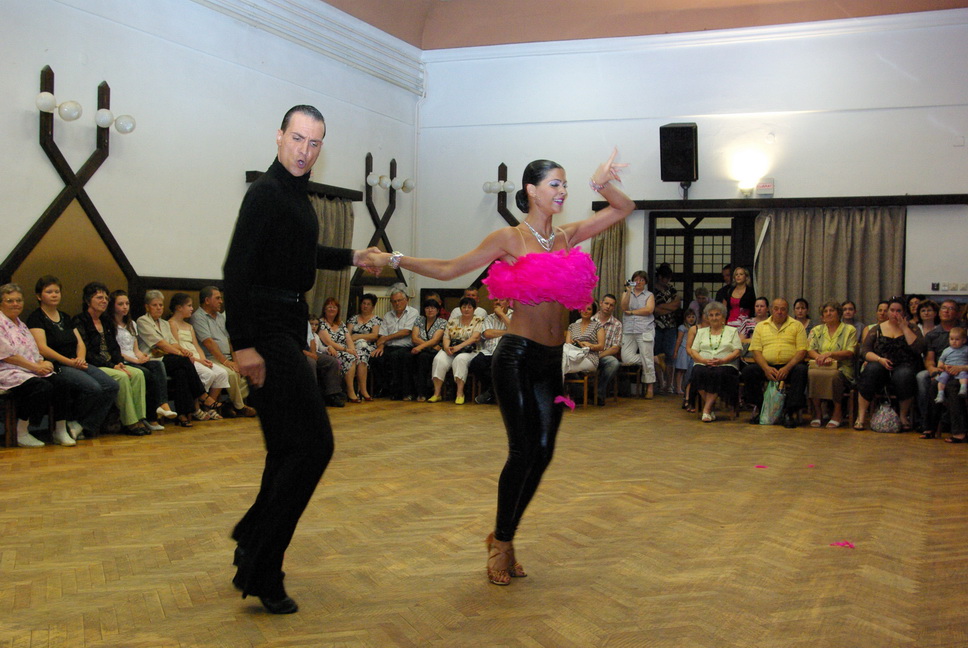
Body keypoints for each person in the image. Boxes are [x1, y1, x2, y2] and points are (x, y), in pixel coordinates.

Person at [370, 150, 634, 586]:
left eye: (565, 184)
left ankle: (502, 534)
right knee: (523, 450)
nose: (562, 191)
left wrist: (601, 184)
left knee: (543, 452)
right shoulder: (510, 238)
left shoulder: (566, 236)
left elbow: (624, 208)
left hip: (551, 360)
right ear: (531, 190)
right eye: (554, 184)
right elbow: (450, 269)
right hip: (516, 357)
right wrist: (394, 259)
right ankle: (503, 543)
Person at [222, 105, 380, 614]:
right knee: (314, 446)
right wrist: (243, 344)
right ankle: (263, 563)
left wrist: (352, 257)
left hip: (288, 324)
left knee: (285, 448)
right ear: (279, 137)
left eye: (314, 143)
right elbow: (236, 270)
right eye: (297, 139)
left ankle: (254, 543)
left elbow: (299, 252)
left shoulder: (295, 195)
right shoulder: (266, 193)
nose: (304, 151)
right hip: (266, 329)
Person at [27, 275, 118, 440]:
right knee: (93, 388)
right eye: (49, 292)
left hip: (76, 362)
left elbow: (80, 342)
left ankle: (81, 425)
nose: (54, 295)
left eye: (57, 291)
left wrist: (80, 358)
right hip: (57, 365)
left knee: (111, 385)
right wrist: (69, 362)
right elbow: (42, 348)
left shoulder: (65, 317)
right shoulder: (36, 318)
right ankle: (72, 422)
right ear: (39, 296)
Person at [74, 282, 154, 436]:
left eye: (106, 298)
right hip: (94, 365)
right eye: (99, 297)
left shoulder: (106, 321)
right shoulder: (80, 320)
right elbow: (88, 352)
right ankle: (130, 422)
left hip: (111, 363)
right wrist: (112, 366)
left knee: (138, 374)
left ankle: (140, 418)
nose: (104, 301)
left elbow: (114, 347)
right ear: (88, 300)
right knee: (121, 377)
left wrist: (119, 362)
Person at [0, 283, 70, 447]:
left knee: (62, 383)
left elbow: (32, 349)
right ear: (1, 303)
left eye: (19, 300)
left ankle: (60, 430)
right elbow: (8, 355)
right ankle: (22, 432)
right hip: (8, 370)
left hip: (29, 369)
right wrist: (35, 367)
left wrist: (42, 362)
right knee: (41, 387)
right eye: (10, 301)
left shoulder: (21, 324)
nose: (15, 304)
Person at [137, 290, 209, 428]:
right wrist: (180, 354)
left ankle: (182, 414)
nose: (159, 308)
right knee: (184, 361)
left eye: (161, 305)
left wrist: (183, 350)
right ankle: (202, 394)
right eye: (155, 305)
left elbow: (173, 342)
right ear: (147, 307)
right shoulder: (143, 321)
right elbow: (161, 344)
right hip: (152, 360)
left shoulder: (164, 323)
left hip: (167, 358)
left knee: (181, 372)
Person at [855, 298, 925, 431]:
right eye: (892, 310)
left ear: (904, 312)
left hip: (904, 365)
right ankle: (861, 417)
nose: (895, 314)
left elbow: (918, 349)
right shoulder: (877, 329)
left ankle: (903, 416)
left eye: (898, 311)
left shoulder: (913, 328)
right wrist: (879, 359)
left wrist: (904, 327)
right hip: (881, 363)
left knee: (904, 374)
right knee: (871, 370)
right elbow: (865, 351)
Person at [190, 286, 257, 418]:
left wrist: (236, 361)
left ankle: (229, 405)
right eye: (218, 298)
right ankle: (240, 407)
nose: (221, 301)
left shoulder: (221, 317)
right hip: (211, 357)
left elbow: (229, 341)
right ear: (207, 300)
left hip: (227, 357)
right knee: (231, 374)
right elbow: (209, 343)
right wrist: (226, 362)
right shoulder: (198, 317)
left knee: (247, 371)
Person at [742, 298, 809, 428]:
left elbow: (802, 351)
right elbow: (756, 351)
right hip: (767, 366)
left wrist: (787, 368)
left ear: (787, 311)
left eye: (783, 309)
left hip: (790, 366)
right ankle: (762, 409)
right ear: (771, 310)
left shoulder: (797, 325)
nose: (779, 312)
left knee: (801, 371)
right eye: (776, 309)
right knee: (748, 372)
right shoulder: (761, 326)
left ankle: (789, 412)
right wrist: (766, 368)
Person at [109, 290, 174, 422]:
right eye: (120, 304)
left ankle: (163, 404)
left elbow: (136, 349)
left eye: (127, 303)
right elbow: (114, 350)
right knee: (147, 375)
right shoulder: (109, 325)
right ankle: (148, 416)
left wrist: (142, 357)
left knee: (157, 364)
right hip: (123, 360)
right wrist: (136, 360)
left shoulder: (131, 324)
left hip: (134, 358)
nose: (125, 307)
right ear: (113, 306)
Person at [168, 292, 229, 420]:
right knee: (208, 374)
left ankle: (208, 407)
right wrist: (197, 360)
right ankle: (196, 407)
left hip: (197, 357)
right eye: (189, 306)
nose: (192, 308)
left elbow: (196, 345)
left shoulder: (189, 326)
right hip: (187, 358)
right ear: (179, 307)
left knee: (222, 373)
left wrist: (203, 359)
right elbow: (176, 346)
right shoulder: (171, 323)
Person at [805, 301, 857, 429]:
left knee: (834, 376)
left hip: (842, 367)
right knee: (811, 374)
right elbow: (810, 349)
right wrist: (820, 358)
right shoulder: (816, 330)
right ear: (822, 316)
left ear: (839, 313)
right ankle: (818, 412)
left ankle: (837, 412)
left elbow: (850, 352)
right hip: (820, 365)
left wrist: (830, 355)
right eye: (825, 311)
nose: (828, 313)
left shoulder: (849, 330)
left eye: (832, 311)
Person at [917, 299, 964, 438]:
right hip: (942, 369)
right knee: (930, 382)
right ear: (939, 312)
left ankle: (957, 430)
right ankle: (928, 426)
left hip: (962, 370)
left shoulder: (964, 331)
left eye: (951, 308)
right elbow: (929, 360)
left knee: (952, 386)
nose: (946, 311)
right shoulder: (932, 334)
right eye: (944, 308)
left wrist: (961, 368)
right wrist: (933, 369)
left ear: (957, 313)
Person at [688, 301, 742, 422]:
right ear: (707, 317)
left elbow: (737, 351)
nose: (714, 318)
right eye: (711, 315)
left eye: (717, 314)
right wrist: (703, 360)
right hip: (703, 363)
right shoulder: (701, 332)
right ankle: (710, 407)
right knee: (697, 371)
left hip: (726, 364)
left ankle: (707, 409)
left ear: (723, 317)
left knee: (718, 373)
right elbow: (694, 350)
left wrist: (723, 360)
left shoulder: (732, 331)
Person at [429, 296, 483, 404]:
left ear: (474, 309)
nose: (466, 309)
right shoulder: (453, 320)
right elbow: (446, 336)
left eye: (469, 307)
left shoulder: (478, 320)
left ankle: (460, 393)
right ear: (460, 308)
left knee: (460, 359)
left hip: (470, 350)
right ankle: (437, 393)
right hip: (452, 348)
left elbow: (475, 338)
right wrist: (446, 348)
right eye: (464, 307)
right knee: (439, 359)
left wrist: (459, 347)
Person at [370, 287, 418, 400]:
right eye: (394, 301)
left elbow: (406, 331)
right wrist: (380, 347)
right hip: (389, 346)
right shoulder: (388, 315)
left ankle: (399, 391)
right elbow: (382, 335)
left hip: (406, 347)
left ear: (406, 300)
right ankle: (382, 388)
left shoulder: (413, 312)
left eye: (399, 300)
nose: (397, 303)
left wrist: (386, 338)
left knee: (396, 357)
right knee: (375, 358)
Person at [469, 298, 513, 405]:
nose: (497, 302)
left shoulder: (515, 316)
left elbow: (515, 330)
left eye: (501, 300)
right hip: (488, 351)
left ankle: (490, 393)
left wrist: (502, 314)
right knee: (475, 364)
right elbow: (487, 333)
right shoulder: (489, 318)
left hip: (505, 352)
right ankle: (494, 392)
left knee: (502, 367)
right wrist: (507, 332)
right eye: (495, 300)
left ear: (508, 303)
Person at [621, 270, 656, 398]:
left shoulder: (649, 295)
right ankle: (655, 359)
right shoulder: (626, 293)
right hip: (629, 329)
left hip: (645, 329)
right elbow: (624, 307)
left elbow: (649, 310)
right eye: (636, 280)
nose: (639, 282)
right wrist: (628, 291)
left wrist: (632, 312)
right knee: (626, 358)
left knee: (647, 358)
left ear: (645, 282)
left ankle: (650, 388)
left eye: (642, 280)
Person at [317, 297, 360, 402]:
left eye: (334, 307)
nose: (332, 309)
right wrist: (346, 350)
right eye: (329, 307)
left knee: (358, 356)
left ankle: (359, 390)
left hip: (345, 350)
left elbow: (349, 339)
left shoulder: (340, 323)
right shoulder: (321, 323)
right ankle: (350, 391)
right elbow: (329, 342)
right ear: (324, 309)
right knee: (350, 358)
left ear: (338, 310)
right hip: (330, 350)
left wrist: (353, 350)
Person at [303, 317, 346, 408]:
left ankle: (332, 395)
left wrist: (313, 353)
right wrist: (310, 354)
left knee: (332, 361)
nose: (314, 326)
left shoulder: (306, 325)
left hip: (311, 351)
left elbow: (311, 340)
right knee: (311, 362)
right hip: (300, 352)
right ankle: (312, 397)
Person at [346, 293, 382, 401]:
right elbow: (347, 335)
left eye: (368, 304)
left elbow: (374, 335)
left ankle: (360, 390)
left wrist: (358, 336)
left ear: (373, 306)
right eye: (363, 303)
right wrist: (354, 341)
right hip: (353, 346)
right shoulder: (353, 319)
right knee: (360, 352)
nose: (365, 306)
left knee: (362, 348)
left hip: (369, 347)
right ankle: (362, 390)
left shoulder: (376, 320)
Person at [652, 263, 681, 393]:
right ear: (660, 277)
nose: (668, 281)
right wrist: (668, 308)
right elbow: (654, 309)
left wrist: (662, 307)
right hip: (656, 326)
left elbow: (676, 305)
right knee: (657, 355)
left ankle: (670, 385)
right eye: (666, 278)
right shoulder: (652, 290)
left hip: (671, 326)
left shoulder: (672, 289)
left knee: (670, 355)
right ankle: (661, 383)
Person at [411, 298, 447, 401]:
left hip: (432, 352)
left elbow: (435, 340)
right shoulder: (419, 320)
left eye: (433, 308)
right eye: (427, 308)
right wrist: (429, 345)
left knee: (423, 358)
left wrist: (420, 346)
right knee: (407, 357)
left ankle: (422, 393)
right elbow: (414, 338)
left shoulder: (442, 322)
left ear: (438, 310)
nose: (430, 310)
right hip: (420, 349)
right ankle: (409, 392)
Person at [592, 294, 622, 406]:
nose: (608, 307)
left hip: (604, 356)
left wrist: (599, 356)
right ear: (601, 303)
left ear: (614, 308)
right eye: (606, 303)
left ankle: (599, 392)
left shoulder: (617, 324)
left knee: (614, 363)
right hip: (588, 355)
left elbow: (615, 347)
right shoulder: (590, 319)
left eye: (611, 305)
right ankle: (582, 392)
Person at [561, 301, 605, 375]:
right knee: (562, 363)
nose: (585, 311)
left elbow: (601, 346)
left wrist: (590, 346)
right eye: (583, 308)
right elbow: (567, 344)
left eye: (589, 309)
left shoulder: (597, 326)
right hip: (573, 356)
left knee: (563, 367)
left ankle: (564, 379)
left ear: (593, 312)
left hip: (590, 357)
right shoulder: (572, 326)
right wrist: (575, 344)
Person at [935, 327, 968, 403]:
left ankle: (963, 388)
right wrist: (943, 366)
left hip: (962, 369)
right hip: (948, 369)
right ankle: (940, 394)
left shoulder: (966, 349)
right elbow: (940, 362)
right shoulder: (946, 351)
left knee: (964, 375)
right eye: (951, 339)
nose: (954, 341)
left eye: (957, 339)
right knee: (942, 379)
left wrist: (962, 368)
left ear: (964, 341)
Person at [673, 308, 697, 395]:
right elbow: (679, 340)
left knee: (688, 370)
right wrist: (676, 351)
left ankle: (685, 387)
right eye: (689, 317)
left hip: (691, 350)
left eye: (693, 317)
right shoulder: (682, 328)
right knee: (681, 370)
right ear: (685, 318)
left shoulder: (695, 328)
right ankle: (678, 387)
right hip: (683, 349)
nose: (691, 319)